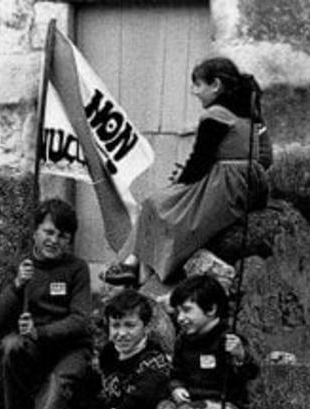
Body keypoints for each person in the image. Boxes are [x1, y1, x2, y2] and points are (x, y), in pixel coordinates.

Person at [103, 57, 272, 287]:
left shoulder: (216, 114)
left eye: (198, 85)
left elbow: (199, 161)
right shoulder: (250, 115)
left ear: (216, 85)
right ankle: (132, 265)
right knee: (160, 206)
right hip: (249, 186)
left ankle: (132, 267)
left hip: (225, 186)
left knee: (155, 204)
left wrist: (180, 184)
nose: (194, 92)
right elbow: (265, 158)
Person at [0, 198, 93, 409]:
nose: (54, 240)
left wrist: (41, 331)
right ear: (35, 232)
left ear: (69, 240)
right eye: (48, 232)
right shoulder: (22, 266)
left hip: (70, 350)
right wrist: (17, 285)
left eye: (62, 235)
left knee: (56, 387)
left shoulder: (76, 269)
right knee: (10, 346)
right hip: (32, 349)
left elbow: (81, 321)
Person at [150, 275, 259, 409]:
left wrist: (240, 355)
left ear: (210, 309)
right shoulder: (183, 340)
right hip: (192, 408)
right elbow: (175, 374)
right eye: (178, 312)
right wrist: (176, 387)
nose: (180, 318)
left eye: (187, 310)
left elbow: (252, 372)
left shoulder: (229, 338)